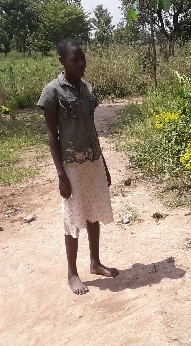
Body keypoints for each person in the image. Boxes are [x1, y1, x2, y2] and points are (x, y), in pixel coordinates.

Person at [38, 38, 118, 295]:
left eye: (83, 59)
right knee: (72, 220)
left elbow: (92, 129)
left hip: (92, 160)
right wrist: (61, 174)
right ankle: (72, 273)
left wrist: (103, 164)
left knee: (93, 212)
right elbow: (52, 136)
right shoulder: (52, 92)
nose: (81, 63)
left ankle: (94, 262)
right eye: (75, 60)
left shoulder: (87, 89)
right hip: (71, 164)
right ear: (62, 61)